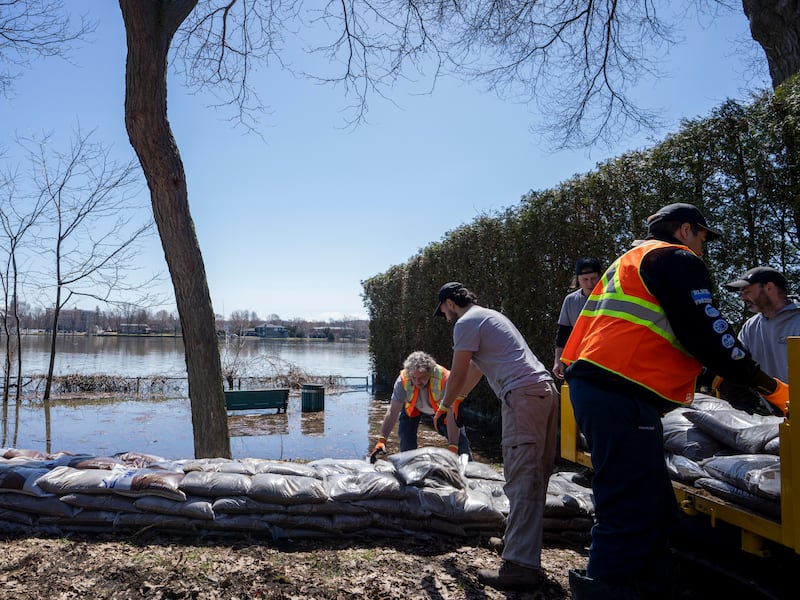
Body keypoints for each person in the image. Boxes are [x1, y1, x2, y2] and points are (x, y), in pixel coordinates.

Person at [560, 203, 790, 599]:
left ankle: (652, 584)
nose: (703, 247)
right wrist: (767, 385)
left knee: (650, 498)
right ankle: (605, 588)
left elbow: (669, 335)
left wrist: (720, 378)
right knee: (629, 502)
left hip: (602, 386)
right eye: (703, 237)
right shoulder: (675, 258)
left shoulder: (630, 262)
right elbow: (708, 332)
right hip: (620, 391)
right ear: (685, 230)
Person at [432, 282, 558, 592]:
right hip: (544, 392)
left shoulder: (465, 323)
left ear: (450, 303)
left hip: (523, 396)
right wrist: (460, 399)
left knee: (521, 479)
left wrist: (444, 407)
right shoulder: (488, 317)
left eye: (443, 311)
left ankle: (520, 566)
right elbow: (475, 369)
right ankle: (517, 545)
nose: (444, 317)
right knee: (534, 478)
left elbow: (458, 372)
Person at [369, 351, 472, 463]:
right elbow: (393, 411)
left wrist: (453, 446)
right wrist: (382, 439)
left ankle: (469, 465)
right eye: (414, 377)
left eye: (422, 377)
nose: (417, 381)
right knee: (406, 436)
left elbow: (452, 413)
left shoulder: (445, 379)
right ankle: (408, 464)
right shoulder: (402, 380)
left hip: (442, 410)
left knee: (460, 442)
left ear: (430, 372)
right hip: (413, 409)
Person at [724, 266, 800, 383]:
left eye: (747, 292)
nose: (743, 298)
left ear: (769, 287)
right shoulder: (750, 327)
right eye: (741, 293)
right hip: (763, 396)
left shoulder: (797, 320)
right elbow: (738, 365)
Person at [552, 257, 602, 379]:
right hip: (578, 361)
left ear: (600, 278)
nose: (590, 283)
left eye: (593, 278)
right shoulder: (570, 300)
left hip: (603, 361)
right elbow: (562, 334)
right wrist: (557, 361)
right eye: (585, 279)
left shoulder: (610, 298)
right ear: (578, 279)